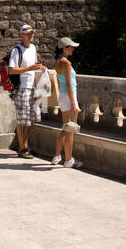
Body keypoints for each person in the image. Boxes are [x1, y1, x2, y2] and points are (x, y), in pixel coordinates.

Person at [8, 24, 45, 159]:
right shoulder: (16, 50)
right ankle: (23, 148)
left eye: (32, 33)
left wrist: (40, 68)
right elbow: (11, 70)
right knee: (23, 119)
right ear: (22, 35)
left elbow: (33, 66)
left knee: (32, 118)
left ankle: (23, 146)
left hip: (32, 87)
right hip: (22, 87)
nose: (31, 36)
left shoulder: (33, 48)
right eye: (28, 34)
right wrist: (29, 68)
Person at [53, 36, 81, 168]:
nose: (73, 49)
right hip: (69, 96)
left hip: (63, 96)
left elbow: (60, 83)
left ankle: (57, 156)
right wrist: (74, 103)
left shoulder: (58, 62)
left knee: (66, 128)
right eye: (71, 47)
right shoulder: (67, 63)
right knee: (69, 129)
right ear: (64, 48)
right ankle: (68, 159)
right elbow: (69, 84)